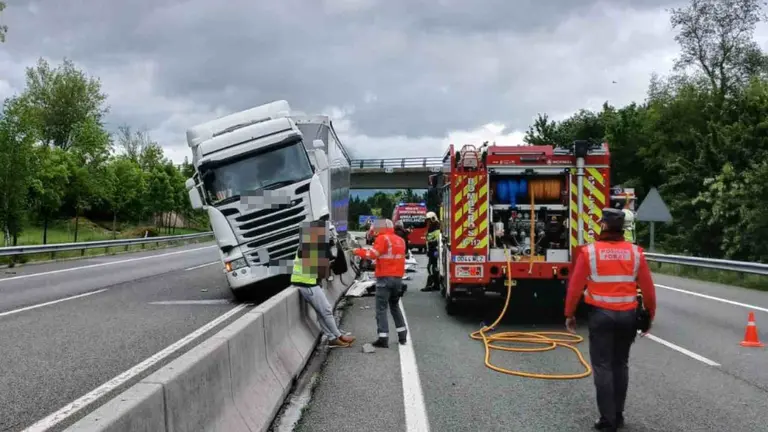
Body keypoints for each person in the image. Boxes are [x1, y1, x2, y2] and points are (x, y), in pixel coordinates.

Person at [563, 208, 657, 432]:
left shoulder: (590, 252)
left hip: (601, 316)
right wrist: (650, 315)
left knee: (603, 366)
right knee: (620, 364)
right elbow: (648, 290)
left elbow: (575, 288)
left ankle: (607, 420)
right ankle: (618, 414)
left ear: (603, 226)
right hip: (627, 316)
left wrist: (569, 314)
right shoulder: (636, 253)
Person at [291, 220, 356, 348]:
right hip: (307, 283)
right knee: (326, 310)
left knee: (321, 312)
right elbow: (325, 262)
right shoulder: (311, 245)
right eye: (329, 232)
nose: (331, 235)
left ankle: (332, 338)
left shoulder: (309, 242)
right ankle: (338, 336)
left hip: (309, 281)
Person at [353, 218, 408, 348]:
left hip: (385, 278)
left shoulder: (383, 239)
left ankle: (383, 338)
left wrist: (356, 251)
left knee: (381, 309)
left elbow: (373, 254)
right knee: (395, 306)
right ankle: (403, 336)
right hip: (398, 278)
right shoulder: (400, 240)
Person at [422, 212, 441, 292]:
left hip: (434, 250)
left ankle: (431, 285)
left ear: (433, 219)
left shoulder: (436, 227)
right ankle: (436, 285)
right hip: (431, 250)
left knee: (432, 267)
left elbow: (436, 240)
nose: (428, 222)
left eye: (429, 220)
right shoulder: (432, 227)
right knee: (432, 267)